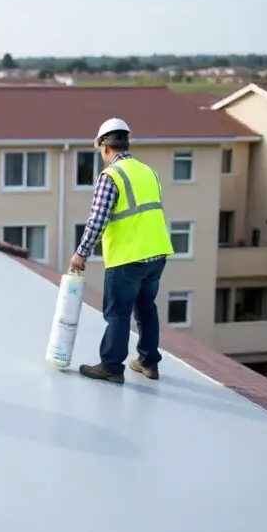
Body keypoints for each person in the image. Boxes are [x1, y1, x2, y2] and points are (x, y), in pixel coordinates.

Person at [70, 117, 175, 383]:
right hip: (157, 253)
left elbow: (97, 220)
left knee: (117, 312)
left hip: (128, 257)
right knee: (146, 308)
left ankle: (112, 367)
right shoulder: (148, 172)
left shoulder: (111, 176)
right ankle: (148, 362)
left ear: (105, 146)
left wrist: (81, 253)